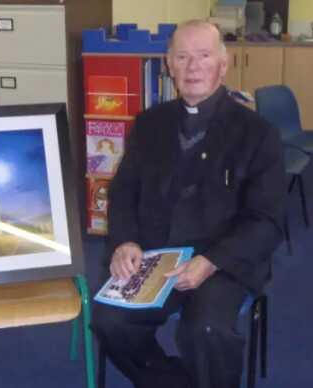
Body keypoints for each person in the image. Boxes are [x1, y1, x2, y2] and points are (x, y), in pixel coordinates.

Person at [91, 20, 286, 388]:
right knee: (108, 321)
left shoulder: (259, 134)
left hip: (224, 259)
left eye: (203, 56)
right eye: (182, 57)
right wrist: (125, 241)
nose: (193, 67)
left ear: (223, 65)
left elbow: (267, 220)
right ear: (169, 65)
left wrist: (211, 261)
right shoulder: (149, 124)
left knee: (207, 330)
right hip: (155, 255)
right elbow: (123, 193)